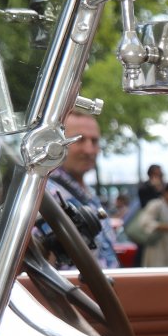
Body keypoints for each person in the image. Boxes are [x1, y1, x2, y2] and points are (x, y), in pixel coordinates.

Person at [44, 114, 119, 269]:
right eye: (79, 140)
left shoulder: (88, 193)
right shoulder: (45, 195)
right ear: (56, 143)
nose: (89, 149)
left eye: (94, 141)